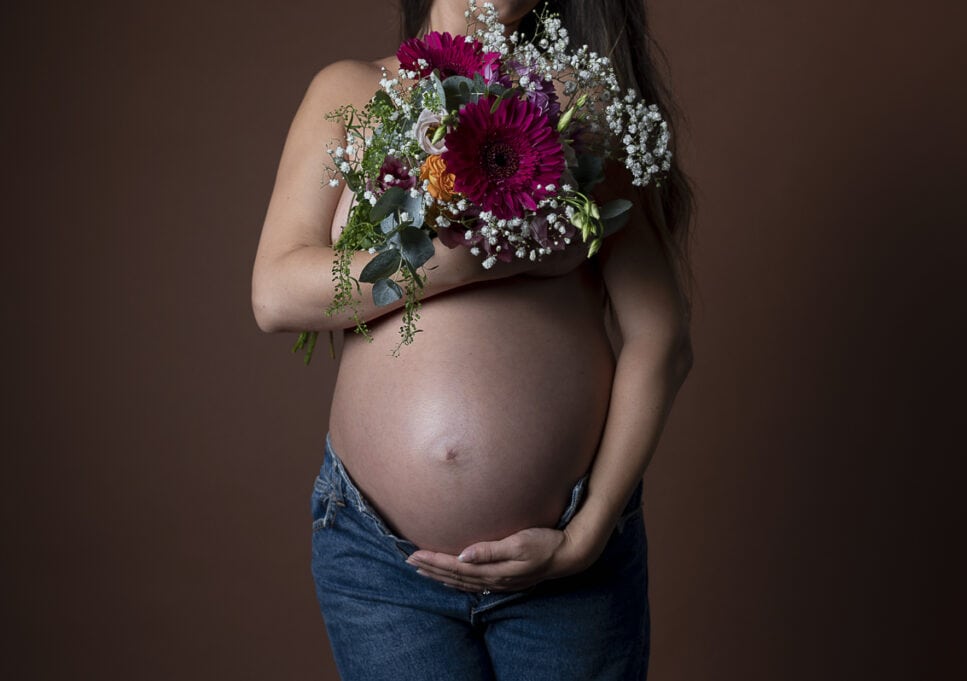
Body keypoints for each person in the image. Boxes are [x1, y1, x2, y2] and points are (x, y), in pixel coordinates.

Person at [252, 0, 694, 678]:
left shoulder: (576, 107)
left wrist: (587, 532)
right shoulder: (348, 92)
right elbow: (277, 292)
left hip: (566, 561)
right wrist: (482, 256)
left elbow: (661, 337)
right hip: (380, 568)